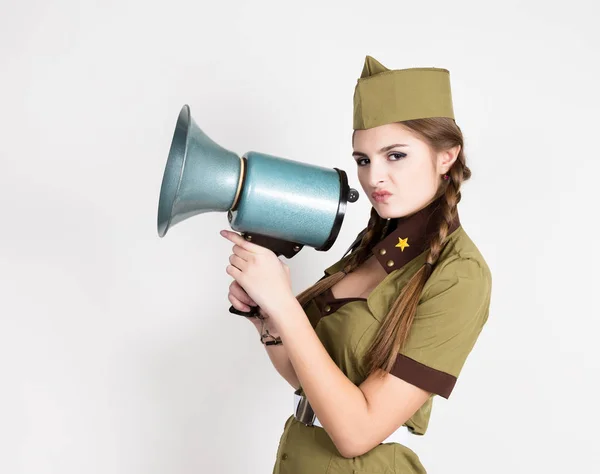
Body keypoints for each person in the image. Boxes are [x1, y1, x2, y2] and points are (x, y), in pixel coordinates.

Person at [221, 54, 493, 473]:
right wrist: (269, 321)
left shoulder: (459, 274)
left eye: (395, 155)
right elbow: (311, 382)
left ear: (446, 156)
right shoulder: (373, 247)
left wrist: (287, 305)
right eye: (363, 160)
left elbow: (355, 434)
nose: (373, 178)